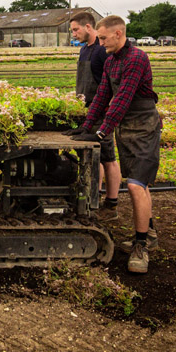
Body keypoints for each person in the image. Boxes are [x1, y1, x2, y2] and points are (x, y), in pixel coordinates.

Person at [68, 15, 162, 274]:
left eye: (104, 38)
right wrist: (87, 126)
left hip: (143, 125)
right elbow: (103, 96)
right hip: (126, 128)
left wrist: (101, 132)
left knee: (134, 185)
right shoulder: (111, 60)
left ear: (119, 34)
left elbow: (122, 99)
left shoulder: (137, 59)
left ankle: (141, 246)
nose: (100, 42)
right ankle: (149, 232)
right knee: (137, 182)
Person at [66, 11, 121, 221]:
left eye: (76, 29)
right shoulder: (85, 51)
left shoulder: (100, 51)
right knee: (93, 157)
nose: (74, 34)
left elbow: (107, 86)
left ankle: (111, 203)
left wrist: (104, 113)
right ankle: (93, 198)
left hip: (101, 113)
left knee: (107, 157)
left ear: (89, 27)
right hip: (86, 110)